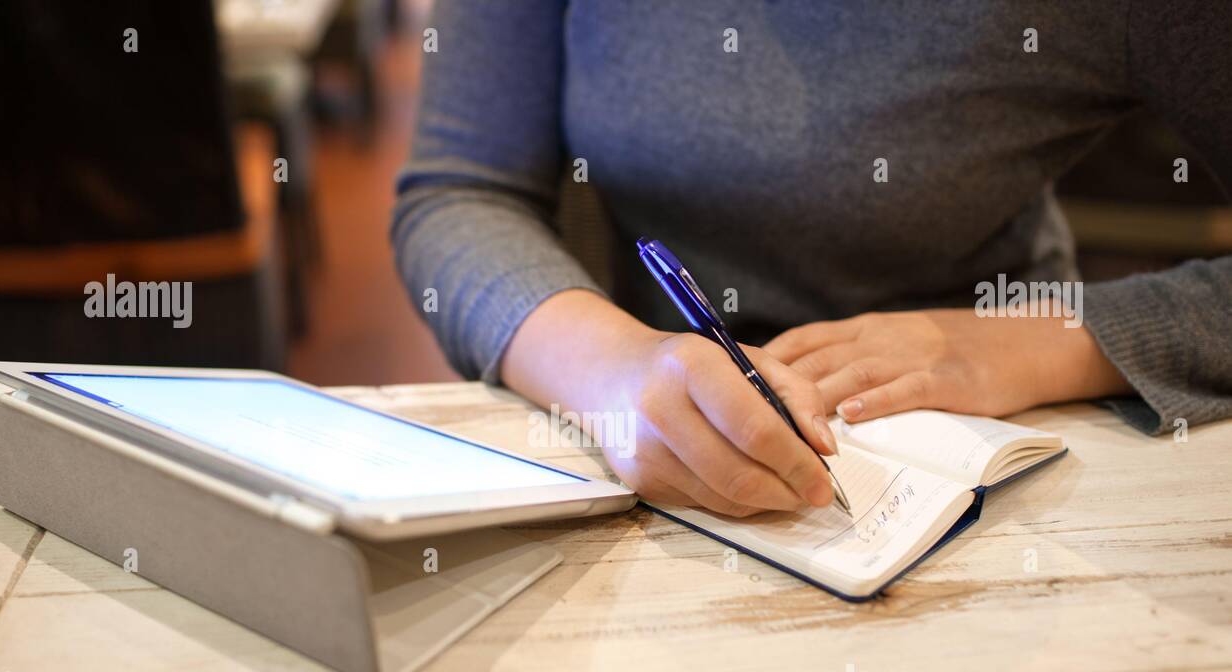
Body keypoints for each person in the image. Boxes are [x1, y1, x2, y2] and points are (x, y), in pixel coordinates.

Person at [392, 0, 1231, 517]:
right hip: (648, 446)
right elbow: (462, 190)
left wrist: (1047, 341)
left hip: (1011, 456)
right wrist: (609, 370)